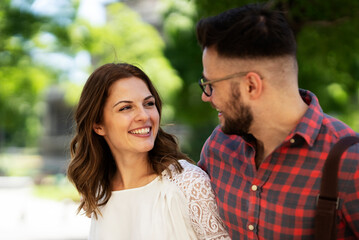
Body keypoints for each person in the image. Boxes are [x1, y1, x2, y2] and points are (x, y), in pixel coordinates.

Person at [196, 3, 359, 240]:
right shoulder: (218, 146)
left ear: (251, 86)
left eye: (211, 85)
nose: (205, 96)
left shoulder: (350, 162)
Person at [67, 63, 230, 240]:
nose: (144, 116)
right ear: (98, 125)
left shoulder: (188, 184)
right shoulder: (100, 194)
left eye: (149, 103)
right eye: (126, 108)